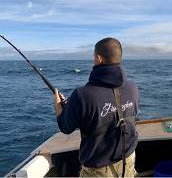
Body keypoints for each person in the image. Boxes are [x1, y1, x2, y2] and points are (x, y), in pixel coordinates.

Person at [54, 37, 139, 177]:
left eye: (94, 56)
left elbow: (66, 127)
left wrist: (59, 108)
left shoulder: (81, 95)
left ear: (99, 58)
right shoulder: (133, 88)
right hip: (128, 160)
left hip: (99, 170)